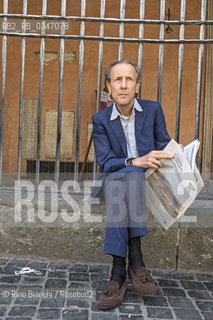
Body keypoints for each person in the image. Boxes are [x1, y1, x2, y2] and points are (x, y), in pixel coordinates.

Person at [91, 60, 172, 310]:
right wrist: (135, 161)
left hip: (145, 183)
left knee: (133, 178)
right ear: (109, 87)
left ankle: (118, 273)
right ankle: (136, 260)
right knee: (127, 176)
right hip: (116, 179)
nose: (123, 85)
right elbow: (105, 163)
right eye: (117, 80)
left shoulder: (153, 109)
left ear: (137, 85)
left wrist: (179, 155)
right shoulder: (101, 119)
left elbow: (164, 143)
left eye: (129, 79)